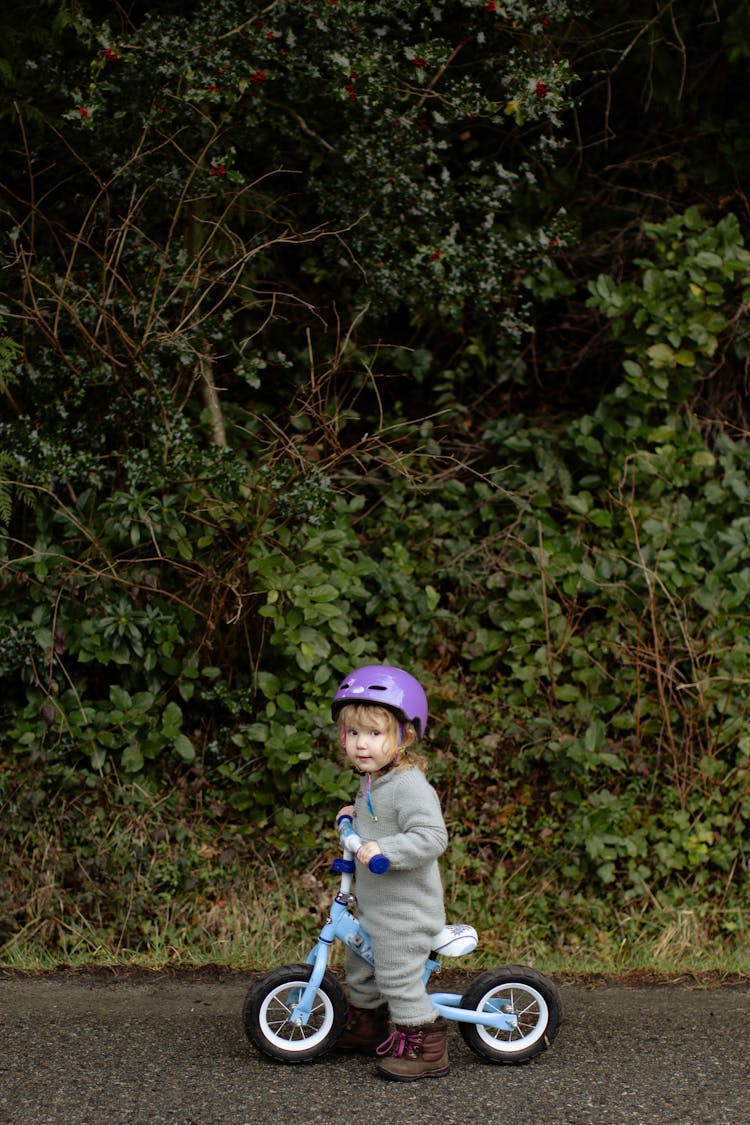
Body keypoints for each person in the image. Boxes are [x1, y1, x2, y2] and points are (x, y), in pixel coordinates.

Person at [332, 663, 450, 1081]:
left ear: (405, 735)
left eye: (375, 733)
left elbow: (433, 837)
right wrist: (351, 818)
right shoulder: (371, 782)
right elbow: (370, 823)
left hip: (406, 913)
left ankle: (426, 1044)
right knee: (361, 967)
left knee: (397, 975)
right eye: (353, 733)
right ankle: (368, 1025)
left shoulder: (409, 785)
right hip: (375, 908)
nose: (361, 744)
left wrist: (386, 848)